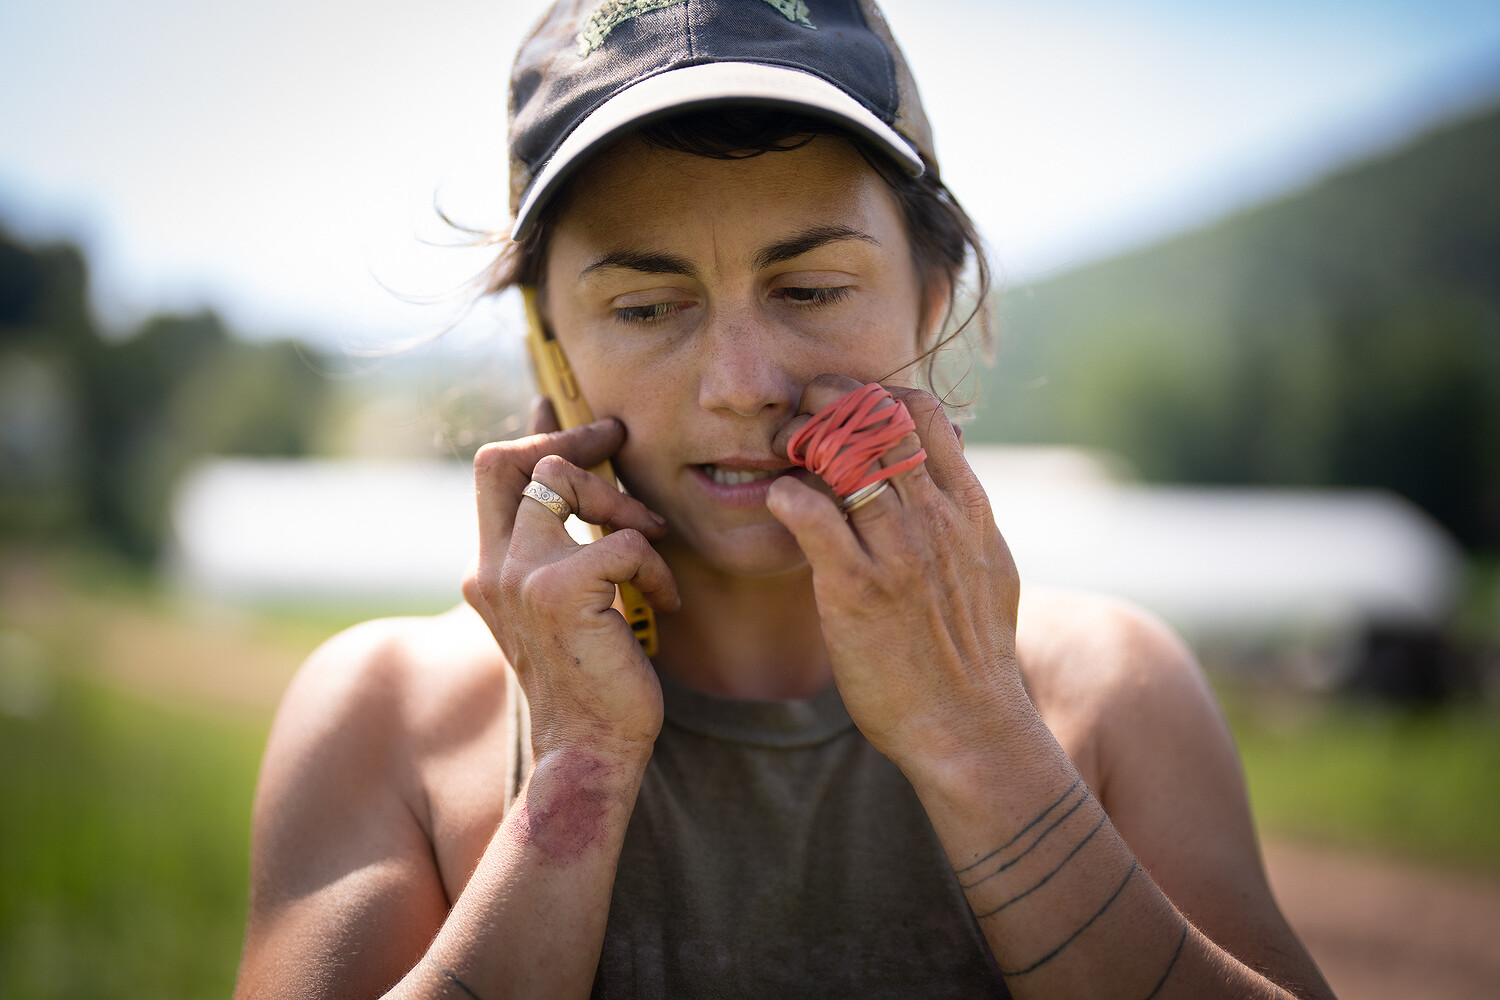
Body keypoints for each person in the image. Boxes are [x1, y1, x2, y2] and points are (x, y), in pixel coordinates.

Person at [234, 2, 1336, 998]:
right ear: (551, 344)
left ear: (930, 298)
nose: (741, 384)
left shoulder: (1109, 698)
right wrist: (577, 768)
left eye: (811, 289)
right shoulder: (385, 719)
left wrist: (977, 738)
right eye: (649, 306)